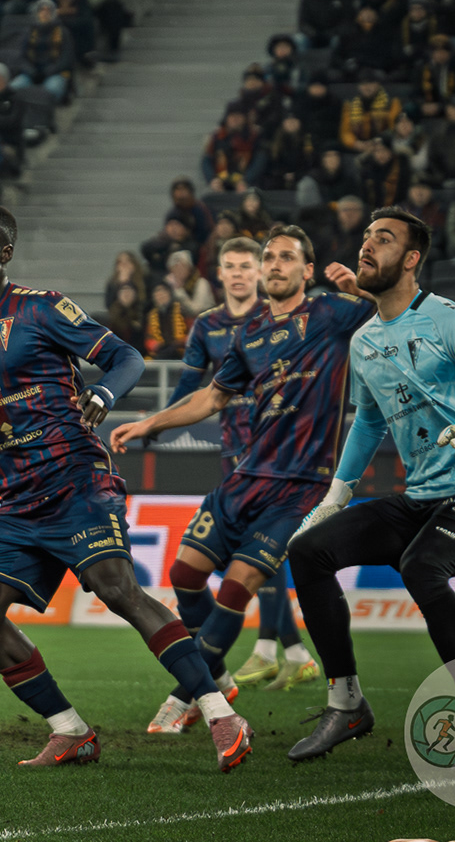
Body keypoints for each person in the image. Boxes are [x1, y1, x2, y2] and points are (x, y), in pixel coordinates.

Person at [0, 201, 252, 771]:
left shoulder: (42, 307)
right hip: (20, 503)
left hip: (76, 479)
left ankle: (221, 713)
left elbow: (126, 357)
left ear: (4, 252)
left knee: (116, 588)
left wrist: (102, 393)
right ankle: (70, 730)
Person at [283, 208, 455, 762]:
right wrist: (337, 495)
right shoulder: (364, 341)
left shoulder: (449, 320)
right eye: (367, 237)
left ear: (412, 259)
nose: (367, 246)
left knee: (421, 568)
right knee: (308, 551)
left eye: (384, 239)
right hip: (420, 499)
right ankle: (347, 704)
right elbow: (368, 423)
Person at [111, 226, 373, 737]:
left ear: (307, 270)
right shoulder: (249, 334)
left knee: (237, 585)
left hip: (300, 485)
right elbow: (211, 397)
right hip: (245, 475)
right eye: (269, 256)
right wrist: (149, 423)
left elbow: (394, 304)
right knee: (184, 575)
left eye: (287, 257)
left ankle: (187, 695)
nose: (275, 264)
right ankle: (217, 677)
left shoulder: (332, 312)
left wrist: (358, 288)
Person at [170, 238, 315, 691]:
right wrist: (158, 420)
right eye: (230, 266)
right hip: (232, 455)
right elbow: (191, 386)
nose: (237, 274)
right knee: (254, 556)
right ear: (219, 274)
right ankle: (288, 651)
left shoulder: (280, 319)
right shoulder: (207, 325)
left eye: (246, 266)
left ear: (258, 273)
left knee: (257, 554)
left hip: (275, 456)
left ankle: (272, 650)